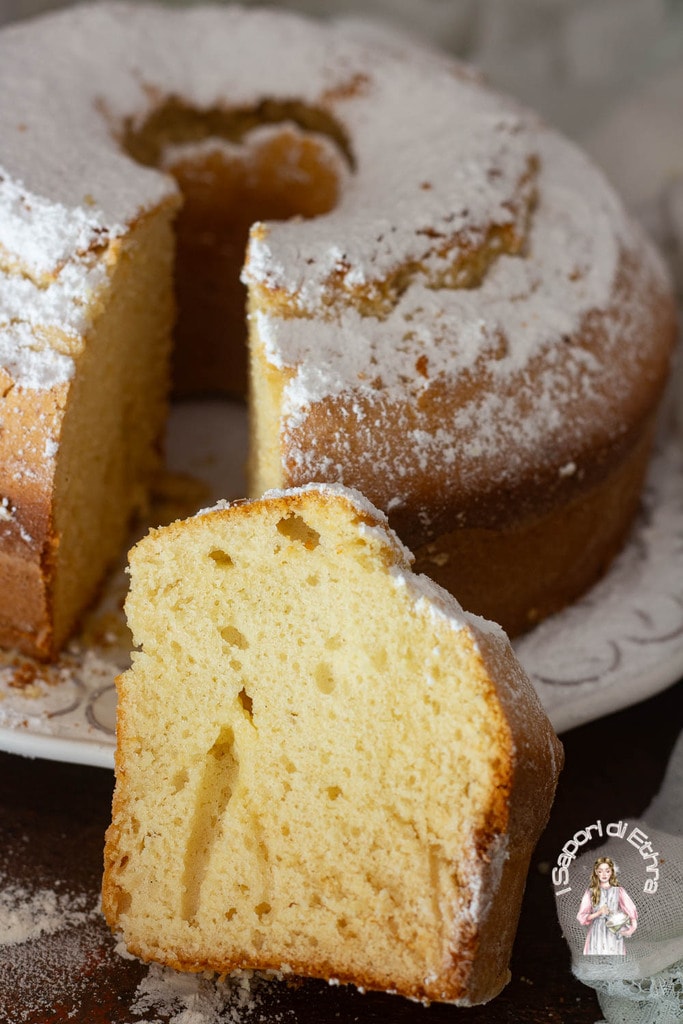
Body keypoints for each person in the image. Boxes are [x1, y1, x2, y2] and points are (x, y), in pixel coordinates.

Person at [577, 856, 638, 955]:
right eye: (600, 871)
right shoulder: (590, 892)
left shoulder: (618, 890)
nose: (604, 874)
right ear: (596, 872)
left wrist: (632, 928)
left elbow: (630, 910)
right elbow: (582, 916)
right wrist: (598, 913)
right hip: (597, 932)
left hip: (614, 929)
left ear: (612, 872)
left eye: (607, 871)